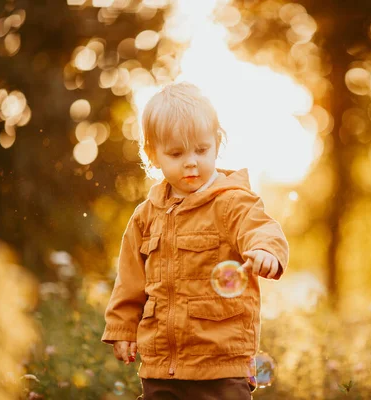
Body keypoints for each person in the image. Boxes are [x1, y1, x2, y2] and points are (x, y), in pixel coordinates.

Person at [101, 82, 289, 400]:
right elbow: (129, 280)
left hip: (222, 366)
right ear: (153, 154)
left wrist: (265, 250)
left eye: (201, 150)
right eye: (176, 153)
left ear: (217, 143)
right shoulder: (146, 216)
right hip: (161, 367)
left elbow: (261, 228)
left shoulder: (232, 201)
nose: (191, 162)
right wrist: (122, 329)